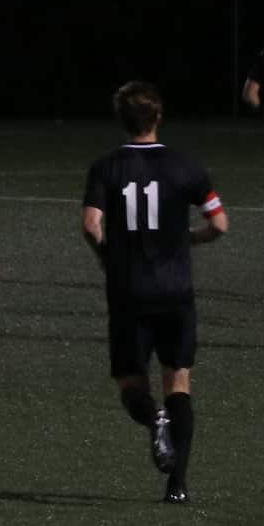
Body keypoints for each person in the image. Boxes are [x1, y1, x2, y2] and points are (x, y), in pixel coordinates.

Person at [79, 81, 229, 503]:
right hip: (175, 291)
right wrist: (188, 239)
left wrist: (107, 255)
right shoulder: (186, 166)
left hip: (128, 291)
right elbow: (219, 224)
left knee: (131, 384)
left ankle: (154, 419)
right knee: (178, 381)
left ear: (121, 120)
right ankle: (177, 483)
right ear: (158, 117)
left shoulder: (106, 167)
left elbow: (91, 225)